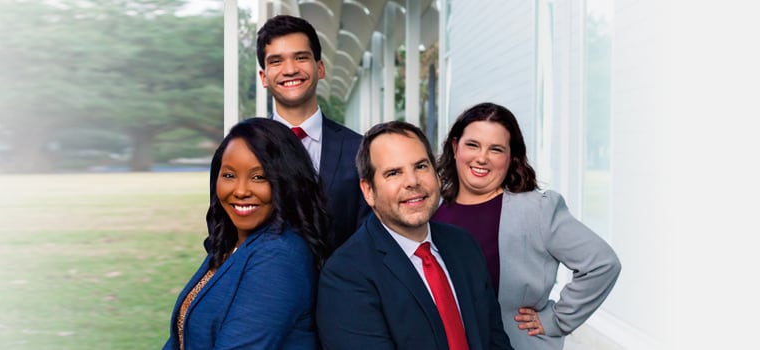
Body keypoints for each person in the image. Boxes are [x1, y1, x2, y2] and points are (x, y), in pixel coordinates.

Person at [433, 102, 621, 349]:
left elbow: (602, 263)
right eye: (473, 145)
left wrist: (556, 319)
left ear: (511, 157)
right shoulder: (431, 209)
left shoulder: (537, 210)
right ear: (456, 146)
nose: (482, 158)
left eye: (496, 149)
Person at [316, 121, 512, 350]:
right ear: (368, 191)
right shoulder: (346, 275)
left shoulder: (464, 245)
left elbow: (496, 342)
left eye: (421, 166)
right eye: (393, 173)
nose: (412, 182)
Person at [164, 117, 329, 350]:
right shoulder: (232, 245)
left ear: (287, 182)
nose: (240, 191)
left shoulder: (279, 255)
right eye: (229, 175)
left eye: (259, 177)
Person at [256, 15, 370, 248]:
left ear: (320, 68)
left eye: (301, 57)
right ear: (263, 77)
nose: (290, 70)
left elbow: (368, 236)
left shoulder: (359, 149)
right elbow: (222, 233)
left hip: (339, 282)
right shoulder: (245, 148)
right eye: (276, 61)